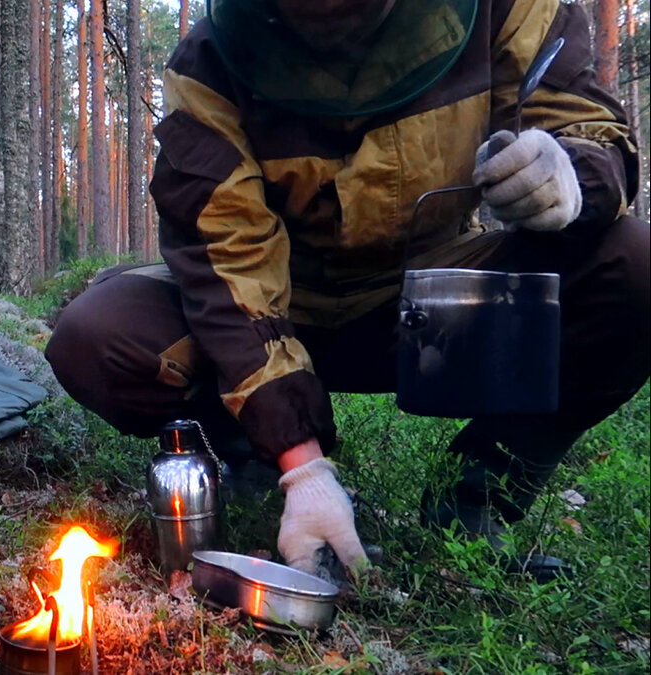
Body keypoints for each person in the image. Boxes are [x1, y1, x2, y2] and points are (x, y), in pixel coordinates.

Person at [46, 0, 648, 579]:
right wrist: (300, 467)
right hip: (278, 303)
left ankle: (477, 498)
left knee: (636, 267)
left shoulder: (504, 7)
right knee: (97, 337)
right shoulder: (208, 63)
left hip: (434, 300)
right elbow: (225, 255)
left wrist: (571, 174)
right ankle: (256, 466)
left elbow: (588, 125)